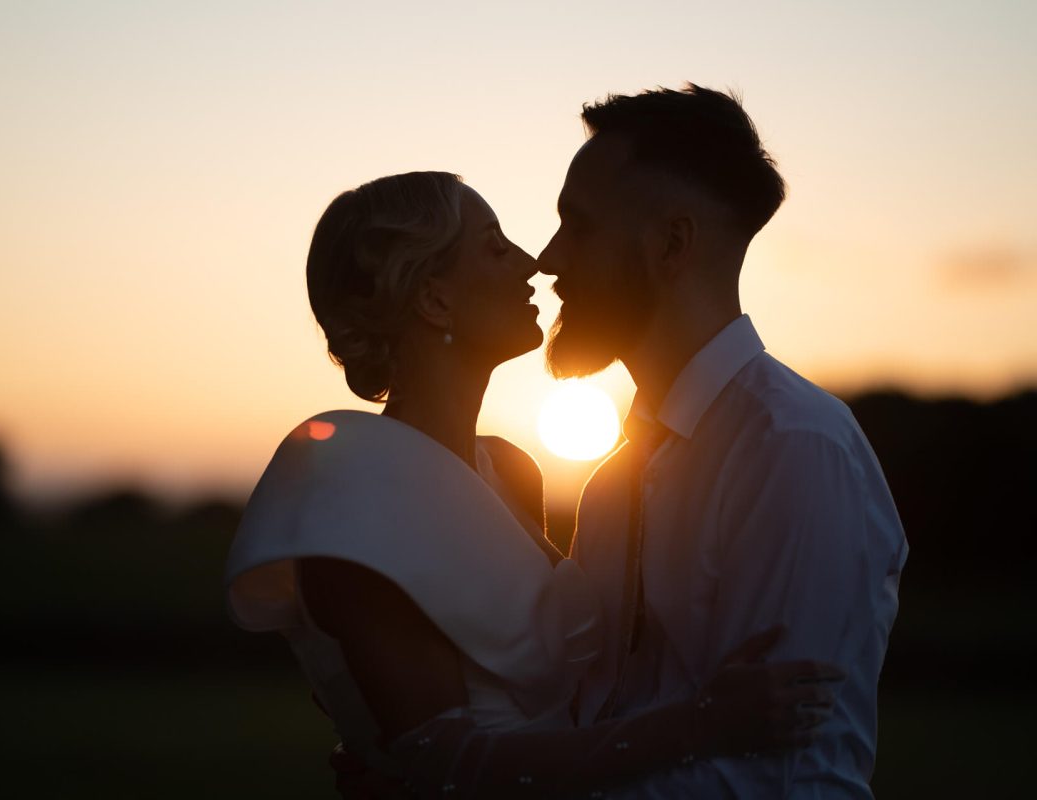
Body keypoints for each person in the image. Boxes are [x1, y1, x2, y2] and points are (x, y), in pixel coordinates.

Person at [225, 171, 845, 798]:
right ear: (434, 300)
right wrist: (698, 726)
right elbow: (454, 763)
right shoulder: (353, 493)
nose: (531, 264)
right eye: (496, 246)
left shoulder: (512, 472)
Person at [539, 85, 909, 797]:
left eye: (577, 227)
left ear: (673, 243)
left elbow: (773, 775)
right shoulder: (614, 481)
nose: (547, 259)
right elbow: (591, 718)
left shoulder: (791, 447)